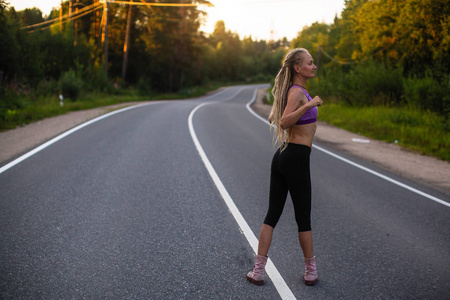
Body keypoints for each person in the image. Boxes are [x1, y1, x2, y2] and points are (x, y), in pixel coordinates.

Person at [246, 48, 323, 286]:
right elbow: (283, 121)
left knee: (273, 215)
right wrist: (308, 107)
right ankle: (310, 270)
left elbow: (274, 117)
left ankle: (258, 271)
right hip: (296, 157)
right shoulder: (298, 93)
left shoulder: (293, 91)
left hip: (284, 156)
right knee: (303, 218)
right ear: (298, 68)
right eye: (310, 63)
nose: (314, 66)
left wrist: (294, 108)